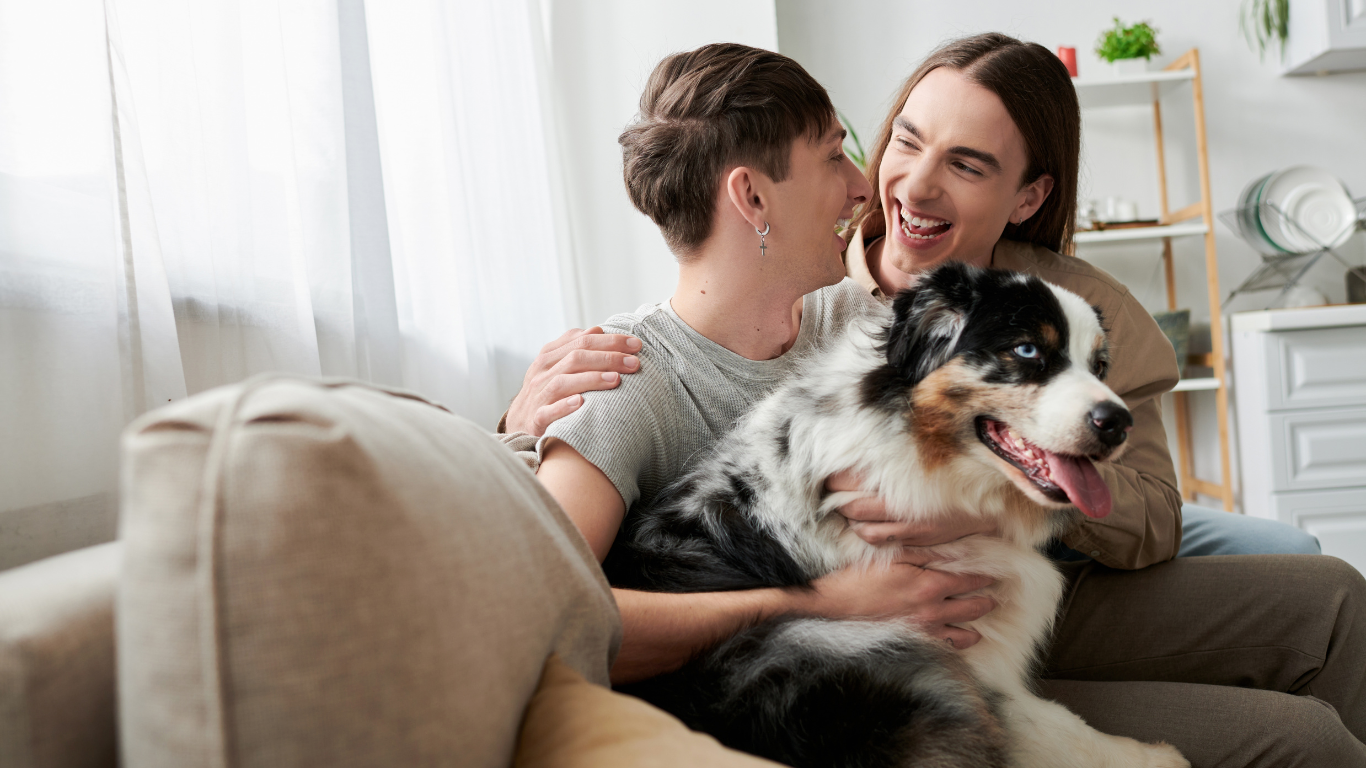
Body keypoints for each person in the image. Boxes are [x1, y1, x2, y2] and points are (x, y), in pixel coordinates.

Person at [516, 37, 1366, 766]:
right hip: (879, 654)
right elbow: (548, 604)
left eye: (962, 162)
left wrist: (988, 500)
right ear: (751, 196)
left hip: (1001, 595)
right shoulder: (629, 374)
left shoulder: (872, 315)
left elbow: (1103, 478)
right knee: (1301, 739)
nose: (875, 189)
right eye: (842, 156)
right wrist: (523, 437)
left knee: (1330, 595)